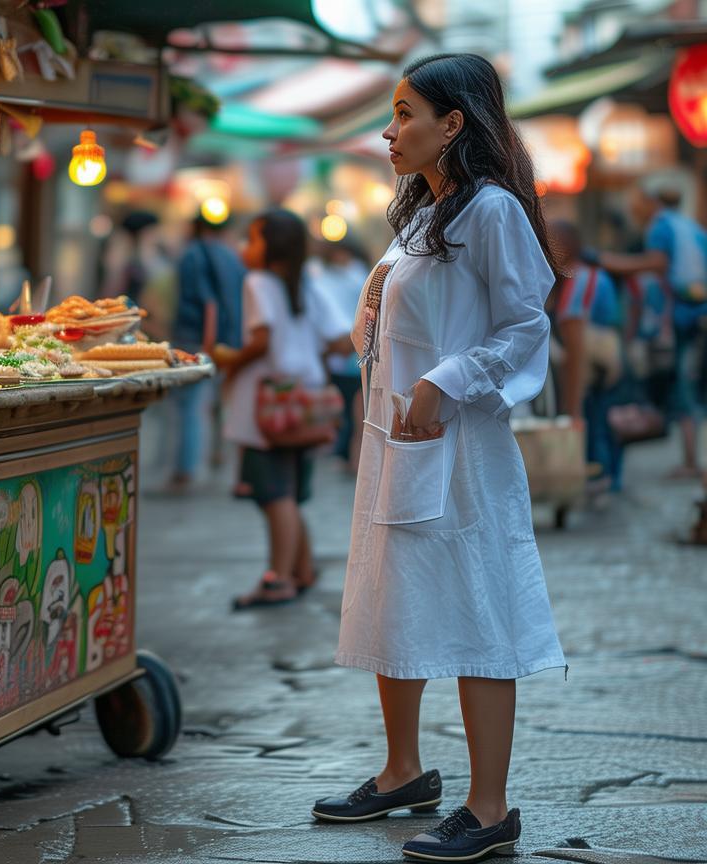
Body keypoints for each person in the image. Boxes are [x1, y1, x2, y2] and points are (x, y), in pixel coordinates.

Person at [313, 55, 567, 863]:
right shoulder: (426, 214)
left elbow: (526, 326)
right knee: (400, 599)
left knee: (478, 609)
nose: (389, 131)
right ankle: (402, 770)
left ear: (453, 123)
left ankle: (488, 807)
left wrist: (445, 380)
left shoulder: (491, 211)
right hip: (400, 443)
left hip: (462, 452)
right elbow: (387, 326)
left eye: (404, 112)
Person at [215, 209, 351, 609]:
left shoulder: (258, 282)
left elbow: (260, 339)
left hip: (269, 402)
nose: (246, 248)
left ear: (271, 247)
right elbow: (343, 338)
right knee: (290, 491)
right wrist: (308, 355)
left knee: (274, 495)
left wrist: (228, 363)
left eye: (253, 239)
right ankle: (302, 571)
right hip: (306, 397)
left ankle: (277, 580)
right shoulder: (307, 283)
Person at [599, 183, 707, 480]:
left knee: (682, 385)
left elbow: (657, 264)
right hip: (697, 312)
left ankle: (690, 461)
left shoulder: (660, 228)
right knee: (691, 384)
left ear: (650, 202)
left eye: (637, 204)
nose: (634, 211)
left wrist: (611, 263)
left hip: (678, 318)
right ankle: (691, 457)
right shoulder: (689, 226)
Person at [169, 212, 246, 489]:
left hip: (198, 338)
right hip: (230, 339)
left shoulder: (193, 255)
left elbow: (208, 303)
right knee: (218, 402)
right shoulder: (230, 255)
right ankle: (217, 454)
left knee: (189, 405)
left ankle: (185, 470)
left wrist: (207, 345)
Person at [548, 220, 624, 492]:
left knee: (592, 418)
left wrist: (572, 404)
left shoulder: (577, 279)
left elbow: (575, 339)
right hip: (609, 357)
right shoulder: (595, 275)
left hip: (593, 359)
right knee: (604, 415)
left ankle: (599, 476)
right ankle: (612, 477)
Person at [307, 236, 368, 472]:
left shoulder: (356, 275)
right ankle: (344, 450)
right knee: (344, 403)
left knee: (355, 405)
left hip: (352, 346)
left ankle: (350, 454)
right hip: (338, 347)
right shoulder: (322, 277)